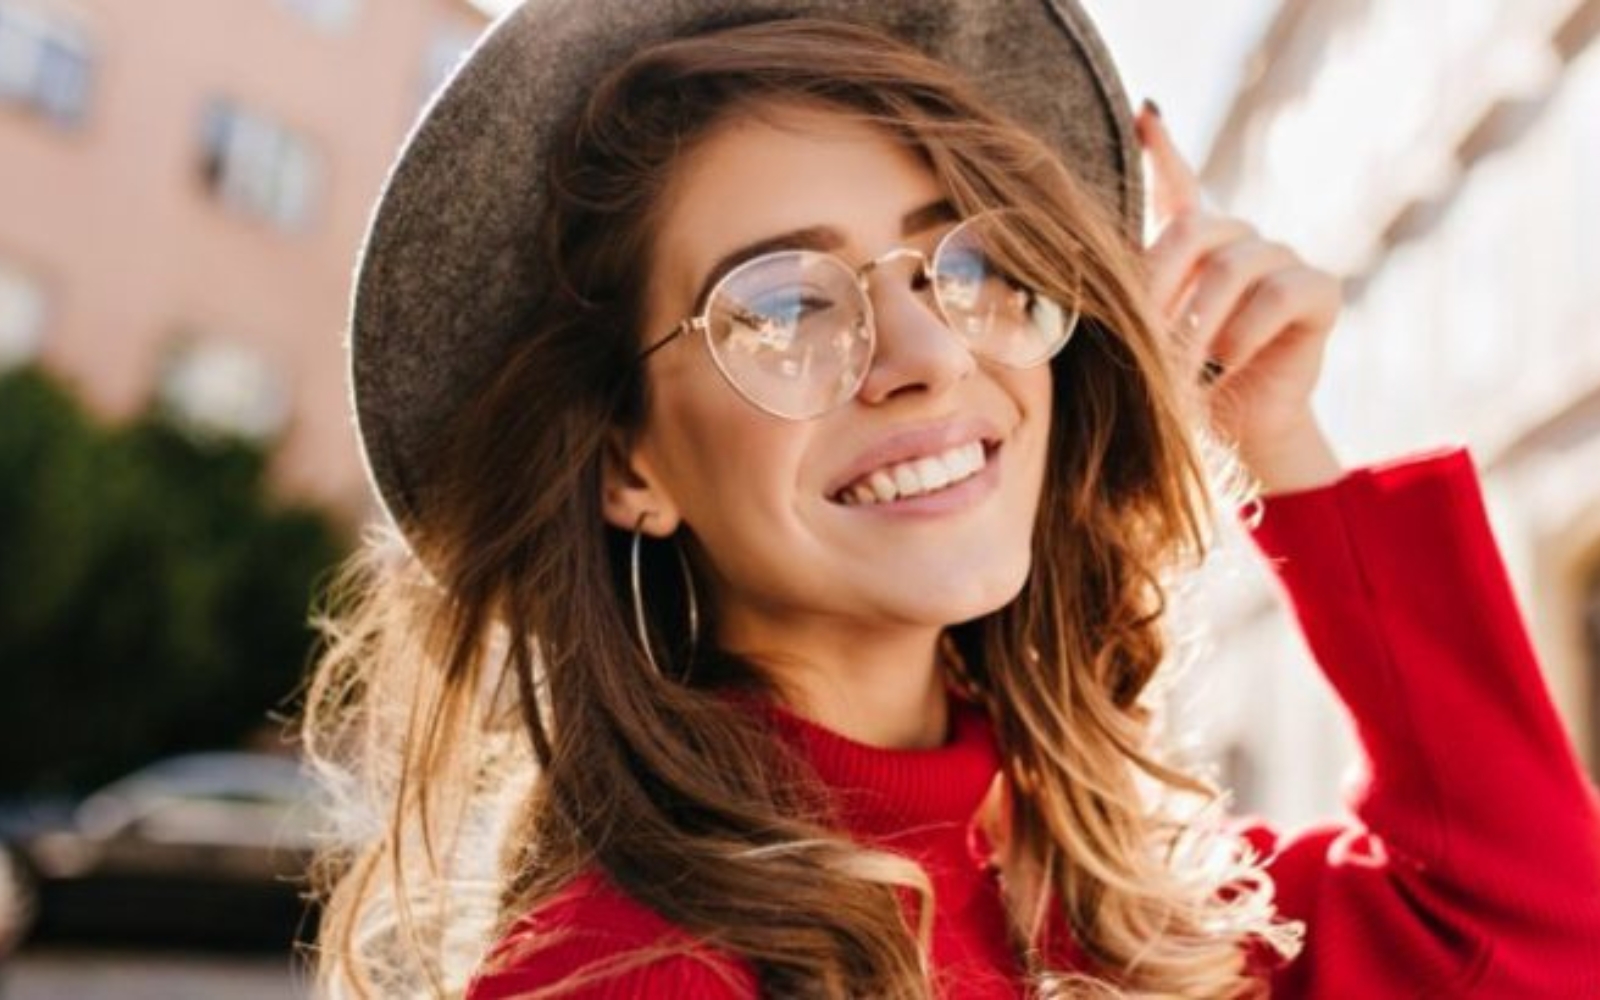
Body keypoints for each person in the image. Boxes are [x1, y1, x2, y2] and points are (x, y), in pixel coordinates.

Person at [302, 1, 1600, 997]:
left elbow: (1524, 931)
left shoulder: (1131, 911)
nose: (927, 357)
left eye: (960, 262)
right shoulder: (638, 974)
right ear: (627, 467)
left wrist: (1279, 433)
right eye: (785, 304)